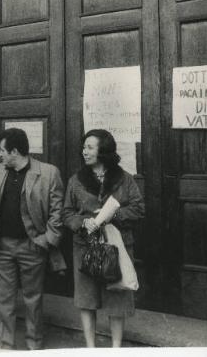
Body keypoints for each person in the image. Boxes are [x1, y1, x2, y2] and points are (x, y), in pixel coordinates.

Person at [0, 128, 64, 350]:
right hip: (1, 246)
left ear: (15, 152)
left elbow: (58, 212)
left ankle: (33, 345)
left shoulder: (48, 173)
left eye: (2, 151)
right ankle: (6, 345)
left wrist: (47, 239)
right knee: (4, 300)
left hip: (33, 246)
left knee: (33, 299)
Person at [61, 129, 144, 348]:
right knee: (87, 299)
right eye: (84, 147)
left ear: (103, 150)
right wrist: (82, 222)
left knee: (117, 298)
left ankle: (115, 349)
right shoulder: (75, 181)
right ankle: (91, 349)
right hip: (85, 246)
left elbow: (138, 208)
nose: (84, 151)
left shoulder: (124, 179)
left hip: (117, 247)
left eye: (90, 147)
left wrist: (113, 215)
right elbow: (67, 213)